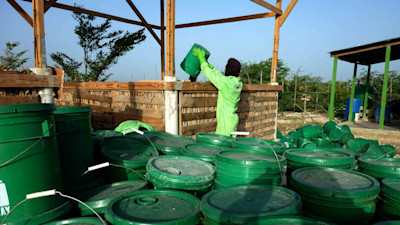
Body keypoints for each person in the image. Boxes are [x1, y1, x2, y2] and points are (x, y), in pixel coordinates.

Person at [192, 48, 243, 136]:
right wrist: (213, 68)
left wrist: (202, 61)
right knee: (230, 146)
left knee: (223, 147)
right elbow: (221, 78)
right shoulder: (238, 83)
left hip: (225, 123)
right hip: (233, 120)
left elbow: (209, 74)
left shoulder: (225, 83)